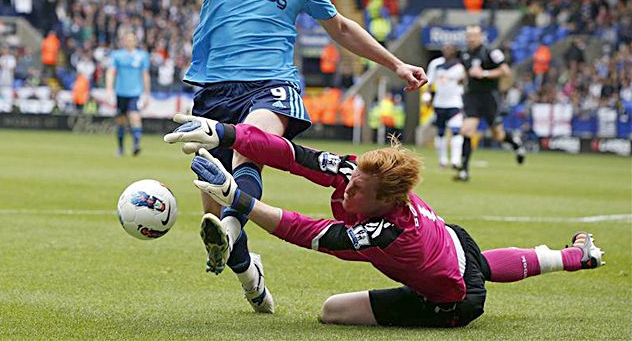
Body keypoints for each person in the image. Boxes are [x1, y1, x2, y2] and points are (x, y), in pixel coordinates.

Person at [117, 0, 428, 314]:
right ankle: (248, 273)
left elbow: (341, 29)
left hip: (271, 85)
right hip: (214, 92)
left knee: (250, 144)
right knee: (215, 196)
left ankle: (227, 228)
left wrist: (395, 65)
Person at [172, 118, 604, 326]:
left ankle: (570, 256)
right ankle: (575, 255)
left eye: (357, 190)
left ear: (383, 201)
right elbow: (293, 155)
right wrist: (225, 134)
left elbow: (312, 233)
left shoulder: (391, 234)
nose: (347, 188)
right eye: (351, 176)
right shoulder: (366, 179)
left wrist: (234, 197)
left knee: (330, 312)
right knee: (478, 267)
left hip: (450, 300)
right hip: (455, 245)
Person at [455, 26, 525, 182]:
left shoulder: (491, 52)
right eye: (469, 36)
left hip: (489, 97)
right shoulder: (464, 53)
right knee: (466, 131)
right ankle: (464, 171)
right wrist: (463, 78)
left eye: (474, 35)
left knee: (498, 135)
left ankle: (515, 143)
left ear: (481, 36)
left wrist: (484, 74)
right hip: (472, 96)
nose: (471, 38)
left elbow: (506, 71)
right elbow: (468, 72)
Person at [105, 32, 151, 157]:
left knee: (135, 116)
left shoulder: (142, 56)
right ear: (123, 41)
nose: (129, 42)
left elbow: (145, 75)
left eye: (132, 40)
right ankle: (120, 148)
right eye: (127, 40)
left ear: (136, 42)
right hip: (121, 92)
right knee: (121, 121)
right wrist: (109, 89)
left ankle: (136, 145)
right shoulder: (117, 55)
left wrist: (147, 94)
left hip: (135, 93)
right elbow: (111, 72)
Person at [426, 45, 465, 169]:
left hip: (455, 103)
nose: (448, 51)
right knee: (440, 132)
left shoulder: (459, 66)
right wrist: (428, 96)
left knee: (456, 131)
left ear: (454, 51)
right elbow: (429, 82)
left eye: (450, 49)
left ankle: (455, 160)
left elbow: (463, 81)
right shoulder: (436, 64)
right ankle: (442, 160)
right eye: (446, 48)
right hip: (439, 103)